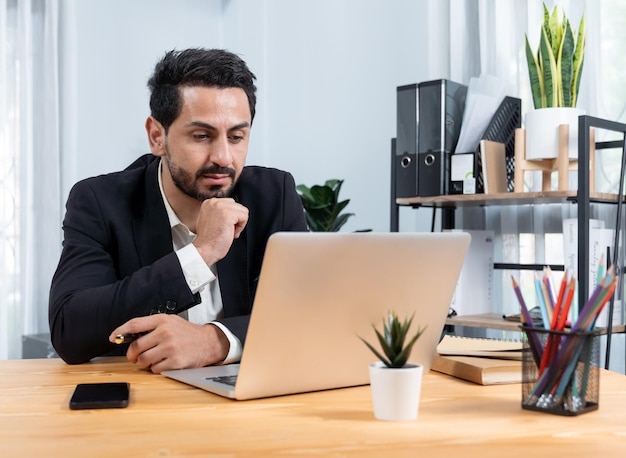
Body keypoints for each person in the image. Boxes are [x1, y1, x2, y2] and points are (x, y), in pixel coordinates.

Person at [49, 48, 307, 373]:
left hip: (248, 403)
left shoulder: (274, 196)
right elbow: (69, 329)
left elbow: (309, 314)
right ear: (157, 136)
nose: (224, 157)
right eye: (202, 136)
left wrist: (216, 341)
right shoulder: (100, 201)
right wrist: (200, 254)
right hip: (145, 406)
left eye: (237, 136)